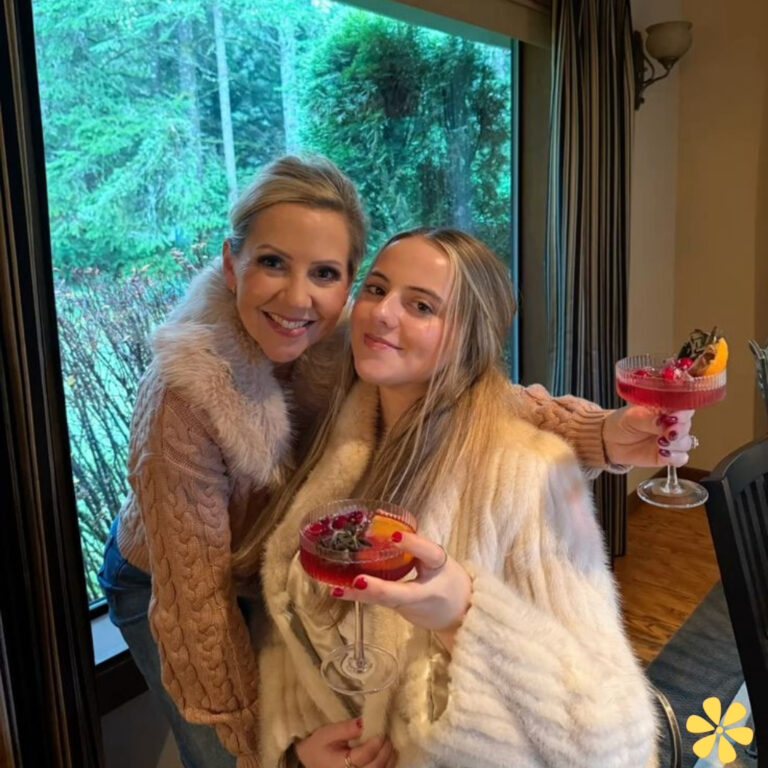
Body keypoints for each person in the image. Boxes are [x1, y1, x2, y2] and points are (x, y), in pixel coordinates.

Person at [99, 155, 681, 768]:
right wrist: (273, 755)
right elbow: (196, 607)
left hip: (271, 562)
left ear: (346, 283)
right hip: (175, 578)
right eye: (272, 262)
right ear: (230, 261)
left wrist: (607, 435)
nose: (297, 297)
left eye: (325, 273)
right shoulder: (184, 395)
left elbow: (475, 391)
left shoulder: (354, 334)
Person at [255, 228, 658, 768]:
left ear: (471, 338)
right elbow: (295, 640)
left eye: (421, 305)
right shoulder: (335, 441)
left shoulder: (526, 473)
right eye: (375, 290)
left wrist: (464, 615)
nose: (382, 314)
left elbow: (613, 739)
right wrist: (295, 756)